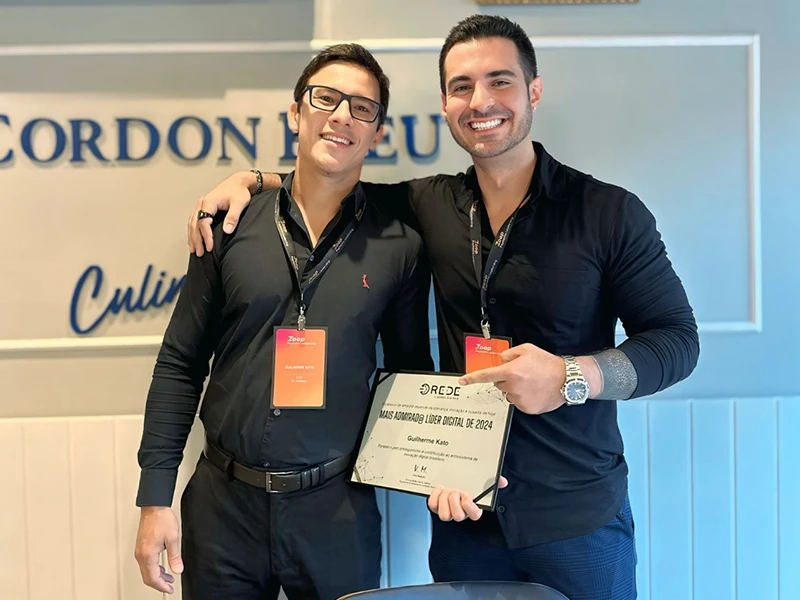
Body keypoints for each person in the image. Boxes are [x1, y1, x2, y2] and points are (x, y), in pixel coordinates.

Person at [184, 15, 700, 600]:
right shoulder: (427, 204)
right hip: (464, 516)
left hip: (577, 519)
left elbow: (677, 342)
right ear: (445, 104)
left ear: (533, 91)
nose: (481, 102)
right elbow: (328, 182)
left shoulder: (608, 212)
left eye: (500, 81)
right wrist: (253, 180)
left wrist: (571, 377)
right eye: (462, 86)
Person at [133, 43, 434, 600]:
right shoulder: (228, 225)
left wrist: (443, 468)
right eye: (325, 99)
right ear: (296, 113)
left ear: (377, 134)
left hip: (336, 511)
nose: (342, 115)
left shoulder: (400, 245)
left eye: (362, 108)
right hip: (223, 510)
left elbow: (408, 373)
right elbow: (180, 362)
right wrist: (155, 499)